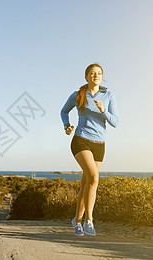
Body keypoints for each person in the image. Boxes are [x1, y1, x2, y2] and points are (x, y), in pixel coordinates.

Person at [60, 63, 118, 236]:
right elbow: (64, 112)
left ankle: (77, 221)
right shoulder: (79, 94)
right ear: (86, 77)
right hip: (81, 140)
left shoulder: (108, 95)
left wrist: (103, 111)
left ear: (102, 76)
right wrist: (67, 126)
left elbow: (115, 122)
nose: (96, 76)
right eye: (92, 73)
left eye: (99, 73)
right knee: (94, 177)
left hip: (99, 144)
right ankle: (89, 221)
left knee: (87, 183)